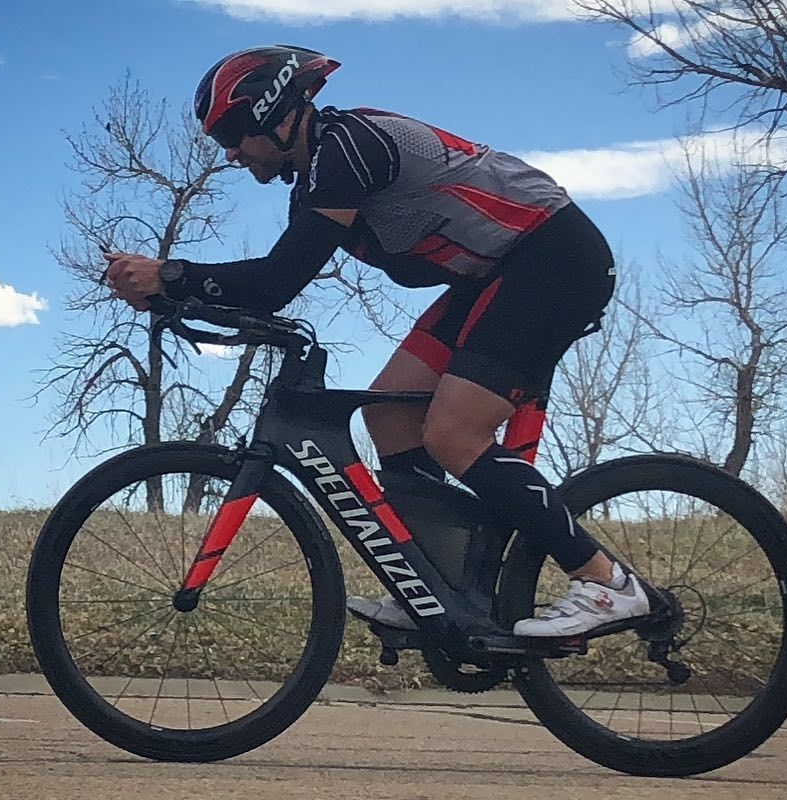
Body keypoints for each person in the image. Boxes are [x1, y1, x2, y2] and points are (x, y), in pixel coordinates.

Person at [104, 45, 650, 637]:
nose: (232, 154)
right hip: (497, 276)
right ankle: (441, 591)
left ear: (280, 114)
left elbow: (277, 281)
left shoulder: (349, 148)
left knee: (452, 434)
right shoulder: (317, 179)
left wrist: (172, 275)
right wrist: (170, 295)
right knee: (390, 415)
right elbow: (267, 286)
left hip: (555, 260)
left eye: (236, 135)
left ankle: (606, 582)